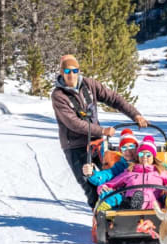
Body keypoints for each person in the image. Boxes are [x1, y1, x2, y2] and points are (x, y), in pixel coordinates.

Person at [51, 54, 148, 209]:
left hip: (97, 141)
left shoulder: (89, 85)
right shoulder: (59, 95)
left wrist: (135, 114)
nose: (71, 75)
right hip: (75, 145)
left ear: (79, 70)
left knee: (110, 178)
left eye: (74, 70)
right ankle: (102, 218)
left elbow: (114, 99)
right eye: (67, 71)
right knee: (89, 184)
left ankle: (122, 212)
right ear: (62, 72)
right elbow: (73, 123)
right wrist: (102, 130)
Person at [96, 136, 167, 211]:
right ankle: (125, 209)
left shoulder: (160, 172)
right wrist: (104, 187)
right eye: (141, 154)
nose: (144, 157)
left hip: (155, 206)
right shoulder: (130, 172)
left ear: (153, 157)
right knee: (127, 197)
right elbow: (112, 183)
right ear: (138, 156)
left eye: (148, 154)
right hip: (132, 203)